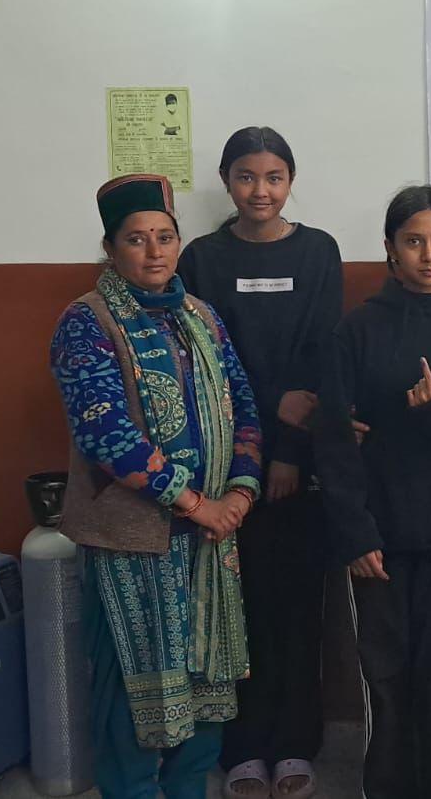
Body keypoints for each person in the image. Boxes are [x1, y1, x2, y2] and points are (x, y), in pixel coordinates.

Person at [50, 173, 262, 799]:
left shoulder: (201, 317)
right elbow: (105, 433)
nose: (154, 251)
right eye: (136, 239)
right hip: (132, 541)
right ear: (110, 248)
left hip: (210, 542)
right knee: (130, 697)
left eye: (165, 237)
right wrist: (197, 504)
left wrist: (239, 495)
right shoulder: (86, 322)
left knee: (204, 683)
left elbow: (243, 405)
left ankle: (190, 788)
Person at [314, 186, 431, 799]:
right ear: (390, 248)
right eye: (414, 241)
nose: (429, 255)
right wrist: (355, 533)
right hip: (379, 538)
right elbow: (334, 442)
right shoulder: (357, 330)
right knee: (384, 679)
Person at [176, 127, 342, 799]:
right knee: (235, 608)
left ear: (291, 181)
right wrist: (263, 430)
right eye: (246, 176)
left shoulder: (319, 251)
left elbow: (320, 354)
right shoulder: (202, 257)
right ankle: (242, 747)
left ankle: (296, 742)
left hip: (301, 464)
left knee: (297, 608)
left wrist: (291, 455)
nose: (261, 191)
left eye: (274, 177)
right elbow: (205, 359)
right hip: (224, 468)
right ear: (226, 181)